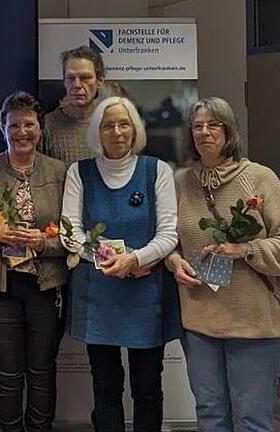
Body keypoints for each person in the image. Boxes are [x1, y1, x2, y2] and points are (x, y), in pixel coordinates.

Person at [61, 97, 179, 431]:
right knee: (106, 388)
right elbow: (70, 234)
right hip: (99, 296)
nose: (116, 131)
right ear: (97, 131)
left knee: (147, 389)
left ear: (135, 129)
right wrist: (110, 261)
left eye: (124, 124)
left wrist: (135, 259)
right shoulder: (78, 172)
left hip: (145, 294)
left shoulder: (157, 171)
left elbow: (169, 233)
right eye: (108, 125)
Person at [166, 96, 280, 432]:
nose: (204, 132)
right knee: (210, 414)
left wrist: (244, 250)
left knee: (251, 418)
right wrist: (173, 261)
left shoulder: (260, 178)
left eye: (213, 124)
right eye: (197, 126)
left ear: (229, 131)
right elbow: (168, 240)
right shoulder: (180, 182)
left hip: (253, 321)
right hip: (199, 320)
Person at [0, 91, 68, 432]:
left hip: (45, 282)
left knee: (42, 368)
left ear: (39, 129)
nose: (22, 132)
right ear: (1, 128)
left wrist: (45, 243)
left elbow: (72, 232)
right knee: (6, 369)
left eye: (29, 124)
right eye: (13, 125)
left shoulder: (60, 172)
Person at [40, 45, 106, 168]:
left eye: (85, 78)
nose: (77, 85)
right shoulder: (46, 127)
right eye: (70, 78)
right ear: (64, 81)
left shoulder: (110, 125)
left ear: (99, 81)